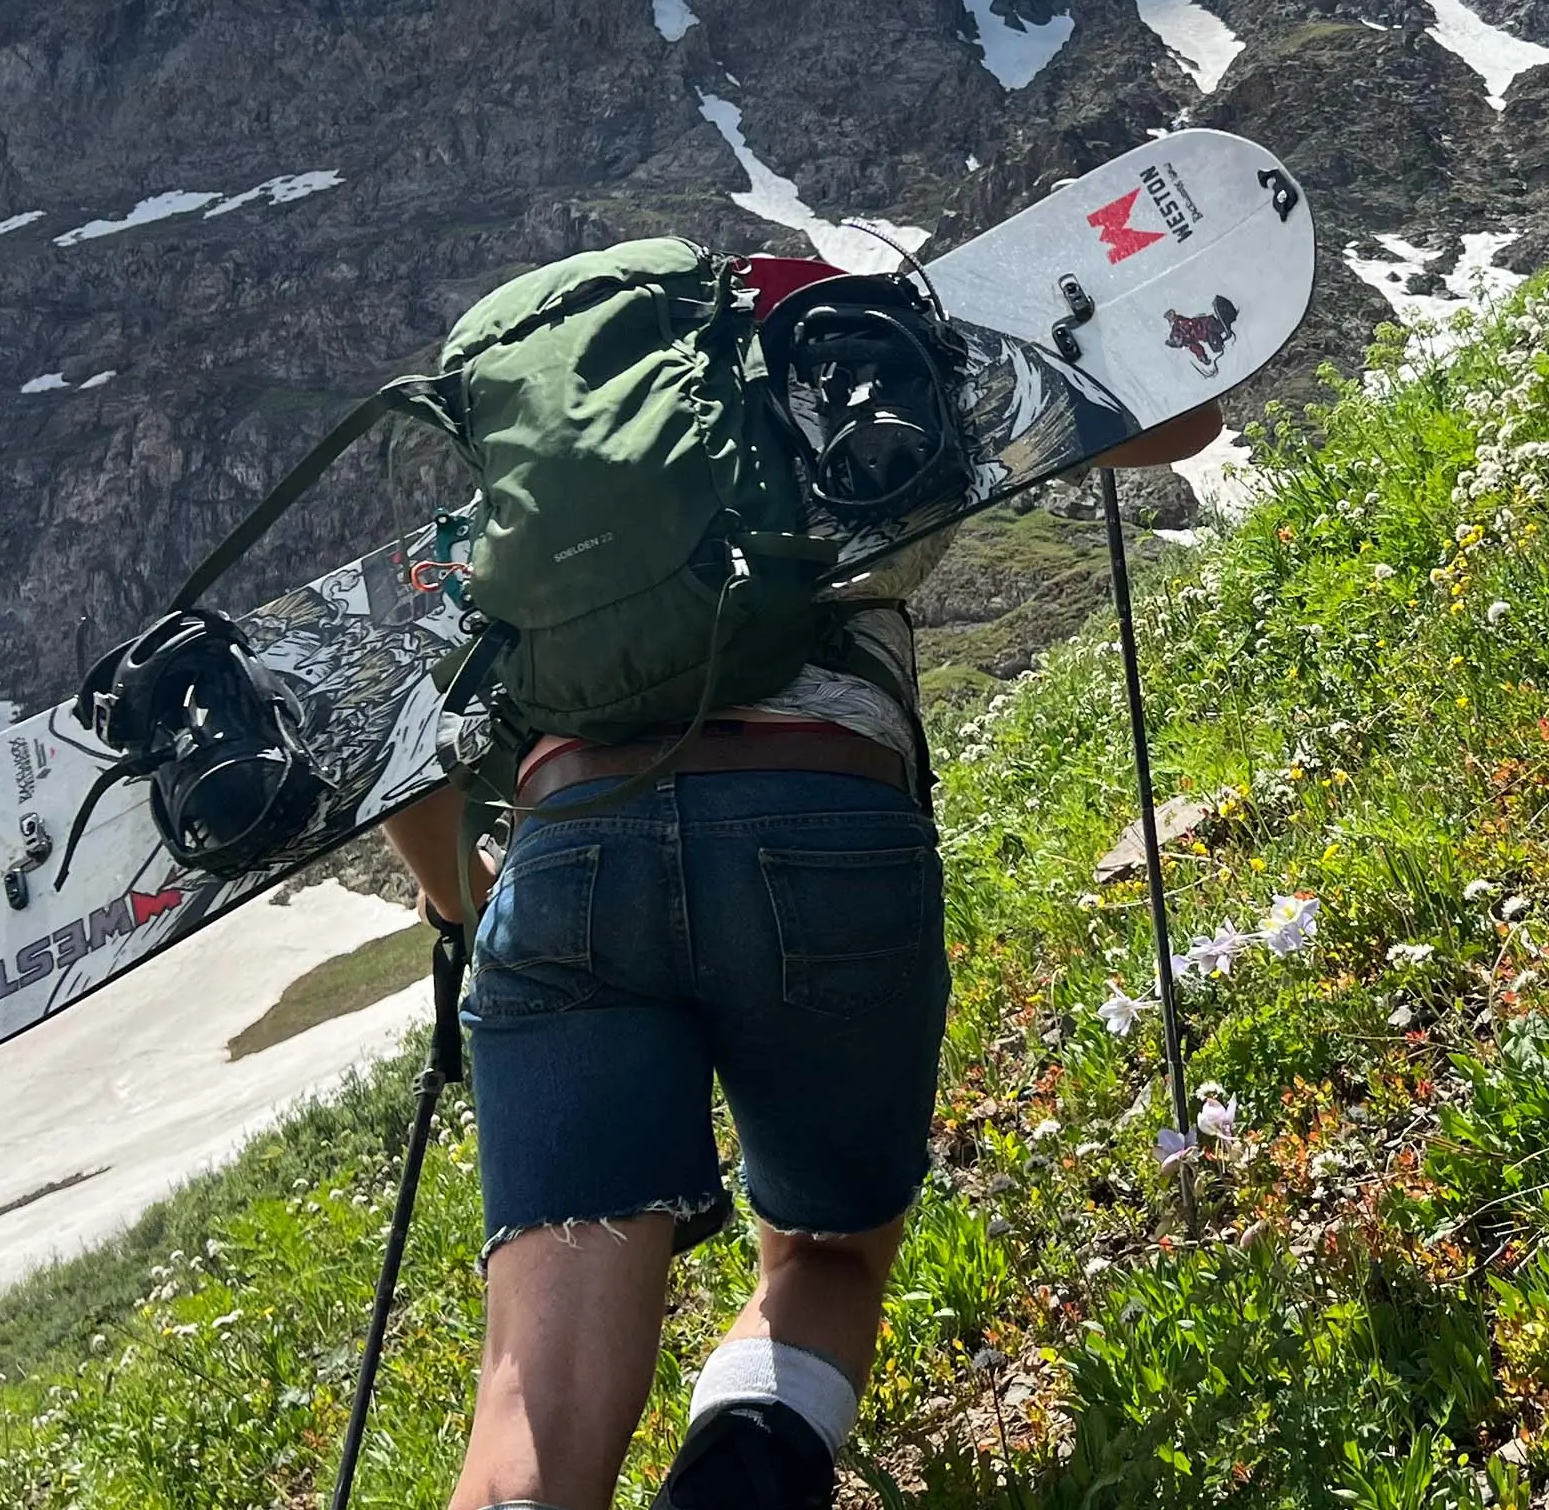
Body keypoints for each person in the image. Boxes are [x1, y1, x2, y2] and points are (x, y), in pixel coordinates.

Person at [379, 326, 1221, 1510]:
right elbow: (1181, 423)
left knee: (536, 1407)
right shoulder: (863, 363)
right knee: (823, 1252)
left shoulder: (534, 505)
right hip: (820, 822)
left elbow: (390, 752)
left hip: (565, 858)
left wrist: (465, 899)